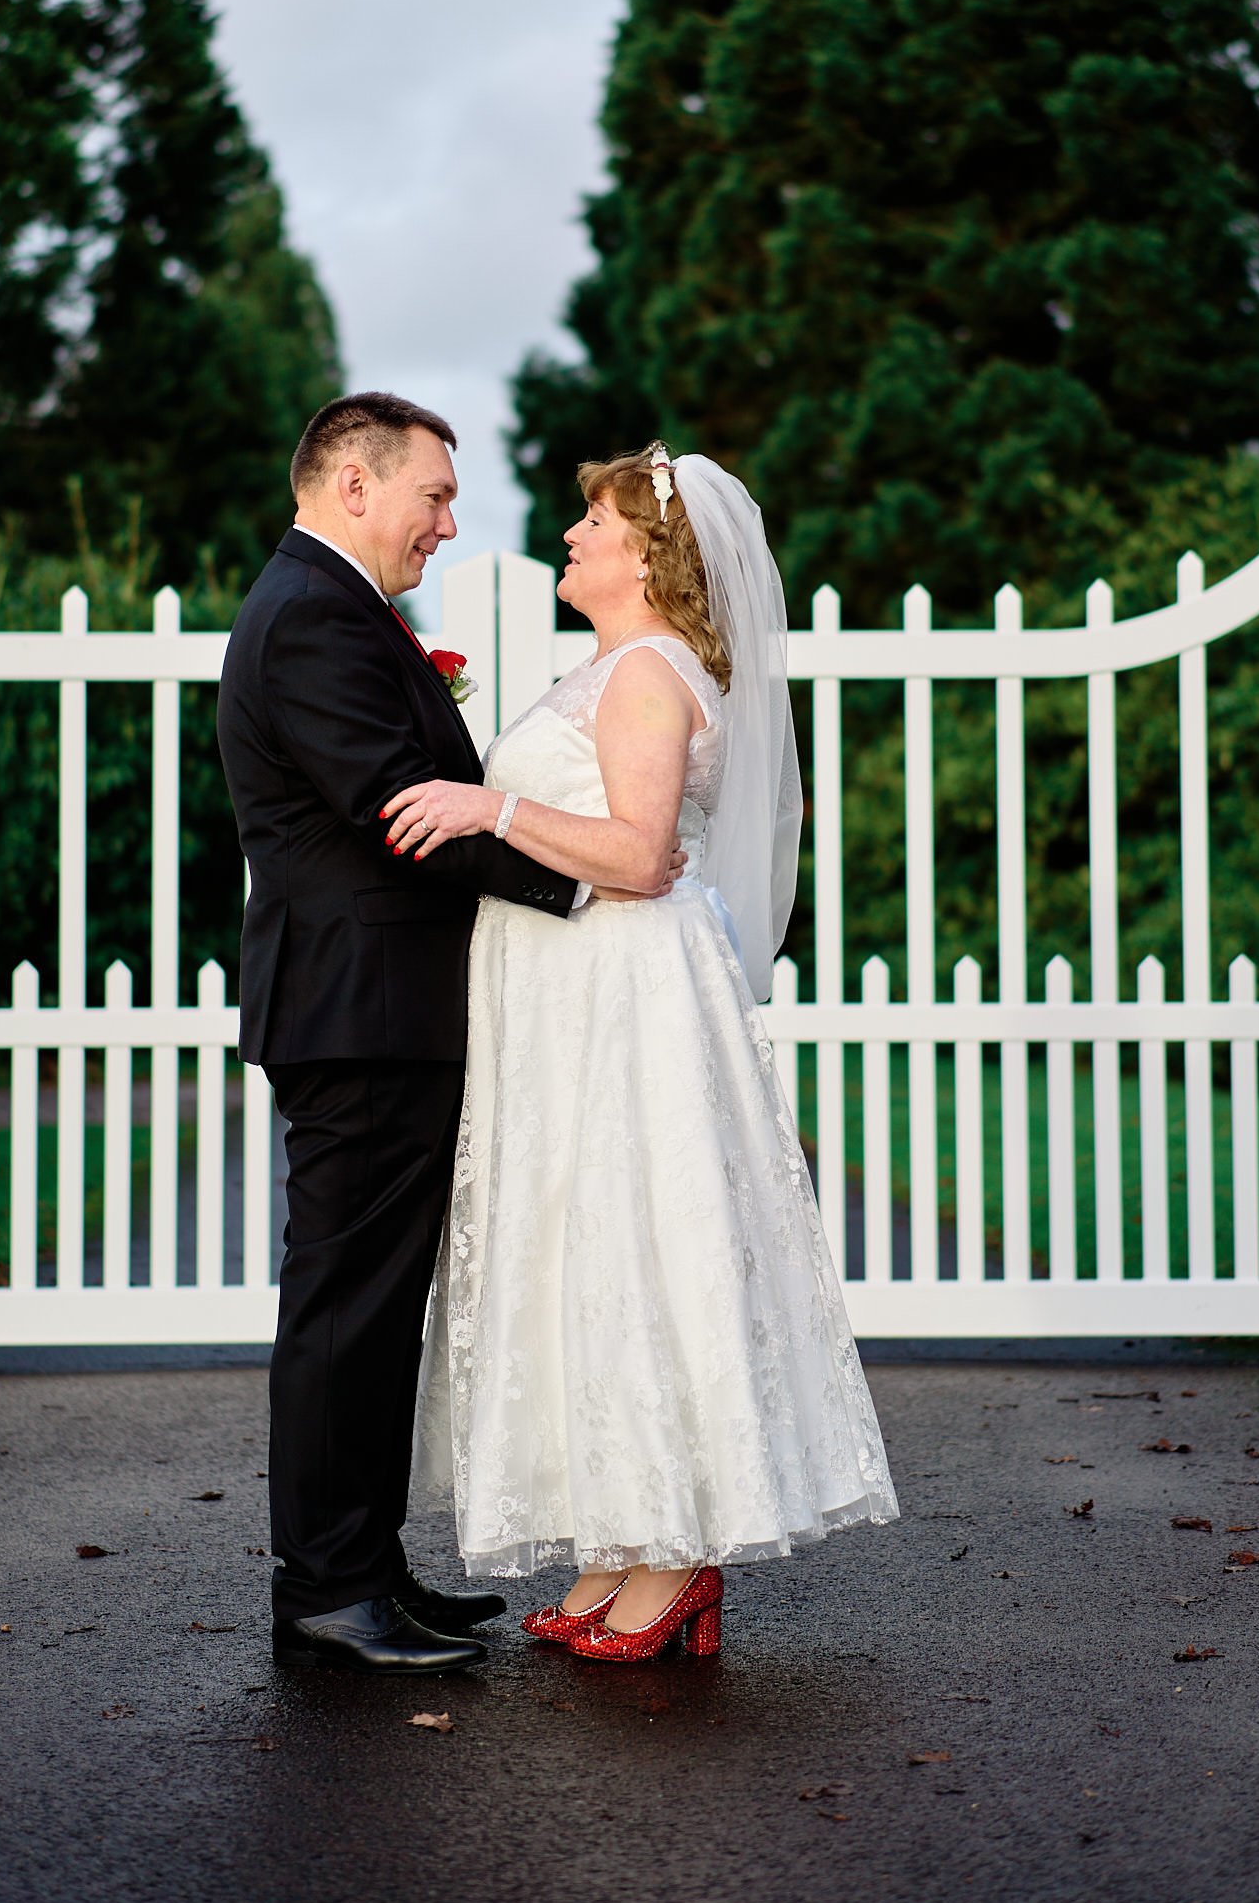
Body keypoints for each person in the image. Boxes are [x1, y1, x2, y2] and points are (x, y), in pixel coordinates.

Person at [396, 443, 897, 1660]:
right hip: (572, 992)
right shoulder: (616, 665)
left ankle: (673, 1557)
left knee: (631, 1248)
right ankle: (621, 1544)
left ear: (646, 554)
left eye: (592, 522)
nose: (571, 536)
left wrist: (487, 806)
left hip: (622, 995)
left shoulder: (647, 675)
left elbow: (632, 853)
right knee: (585, 1252)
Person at [216, 393, 683, 1676]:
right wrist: (595, 878)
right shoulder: (312, 615)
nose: (449, 521)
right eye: (432, 494)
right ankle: (325, 1587)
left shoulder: (341, 611)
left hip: (384, 1011)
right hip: (357, 1014)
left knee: (376, 1308)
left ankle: (366, 1569)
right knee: (344, 1306)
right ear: (352, 484)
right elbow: (396, 813)